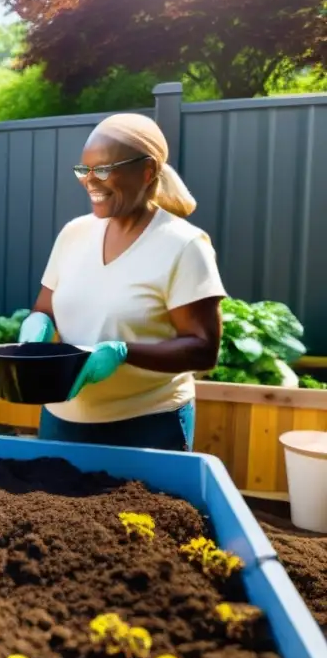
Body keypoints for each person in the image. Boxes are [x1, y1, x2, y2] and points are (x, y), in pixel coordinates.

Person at [18, 113, 226, 451]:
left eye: (102, 170)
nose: (89, 181)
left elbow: (203, 349)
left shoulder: (183, 245)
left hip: (147, 427)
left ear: (146, 171)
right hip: (60, 421)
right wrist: (37, 325)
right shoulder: (74, 234)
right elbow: (45, 308)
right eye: (84, 170)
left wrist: (123, 353)